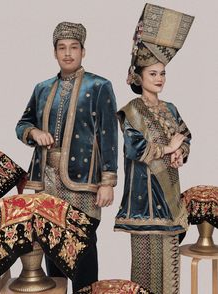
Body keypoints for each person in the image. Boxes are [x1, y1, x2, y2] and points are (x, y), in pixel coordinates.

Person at [16, 21, 118, 293]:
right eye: (62, 48)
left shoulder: (99, 86)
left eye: (74, 47)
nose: (68, 53)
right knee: (52, 252)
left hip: (83, 185)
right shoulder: (42, 88)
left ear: (83, 51)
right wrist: (34, 132)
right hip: (46, 182)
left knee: (83, 251)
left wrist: (108, 181)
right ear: (54, 52)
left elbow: (108, 135)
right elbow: (22, 124)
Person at [114, 4, 194, 294]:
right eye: (153, 74)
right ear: (139, 77)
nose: (159, 79)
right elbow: (135, 148)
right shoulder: (132, 110)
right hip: (144, 200)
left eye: (162, 73)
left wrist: (180, 151)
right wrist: (167, 147)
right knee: (145, 268)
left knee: (171, 268)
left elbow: (185, 135)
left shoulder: (170, 108)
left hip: (170, 192)